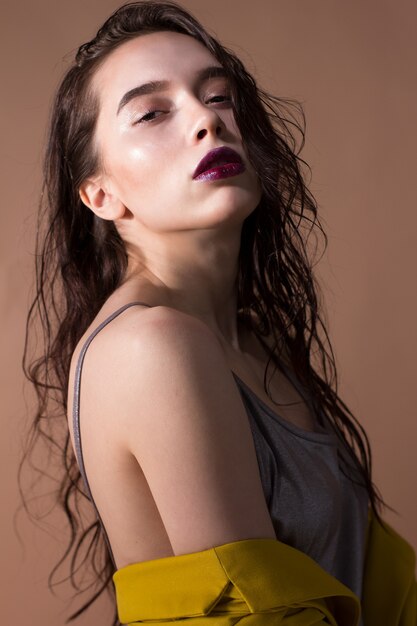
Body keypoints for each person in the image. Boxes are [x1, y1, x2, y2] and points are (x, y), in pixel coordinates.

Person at [20, 2, 416, 625]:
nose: (207, 118)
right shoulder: (151, 346)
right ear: (101, 194)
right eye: (152, 113)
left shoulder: (256, 339)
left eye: (220, 96)